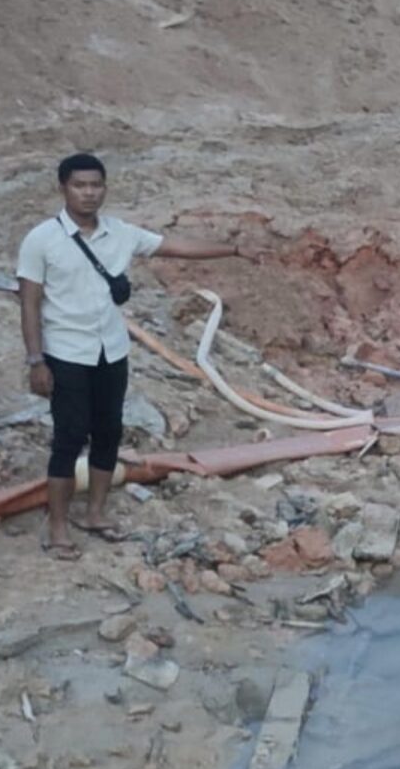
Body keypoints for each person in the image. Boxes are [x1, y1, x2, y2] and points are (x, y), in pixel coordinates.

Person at [16, 153, 247, 559]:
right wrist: (36, 361)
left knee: (109, 433)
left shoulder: (120, 233)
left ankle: (96, 514)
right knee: (68, 439)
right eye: (79, 185)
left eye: (96, 185)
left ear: (105, 188)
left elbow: (173, 246)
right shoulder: (41, 240)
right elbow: (29, 304)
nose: (89, 193)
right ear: (63, 188)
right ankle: (57, 528)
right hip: (67, 353)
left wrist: (233, 250)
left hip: (111, 351)